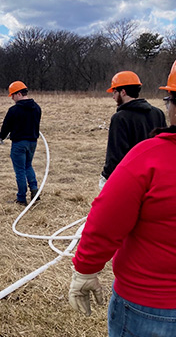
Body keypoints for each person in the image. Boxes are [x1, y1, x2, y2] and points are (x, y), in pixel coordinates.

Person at [69, 60, 176, 336]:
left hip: (149, 304)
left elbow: (115, 159)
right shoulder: (154, 113)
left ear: (121, 92)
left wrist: (108, 183)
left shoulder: (125, 125)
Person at [99, 70, 166, 188]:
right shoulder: (158, 113)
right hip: (155, 180)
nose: (113, 97)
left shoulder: (120, 118)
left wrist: (106, 177)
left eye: (114, 92)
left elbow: (115, 155)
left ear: (123, 92)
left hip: (129, 182)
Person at [0, 81, 41, 205]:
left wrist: (0, 138)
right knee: (28, 166)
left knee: (20, 170)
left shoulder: (14, 110)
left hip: (19, 144)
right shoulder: (36, 107)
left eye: (13, 96)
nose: (12, 99)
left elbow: (6, 127)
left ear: (19, 94)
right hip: (32, 142)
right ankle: (34, 190)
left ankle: (21, 198)